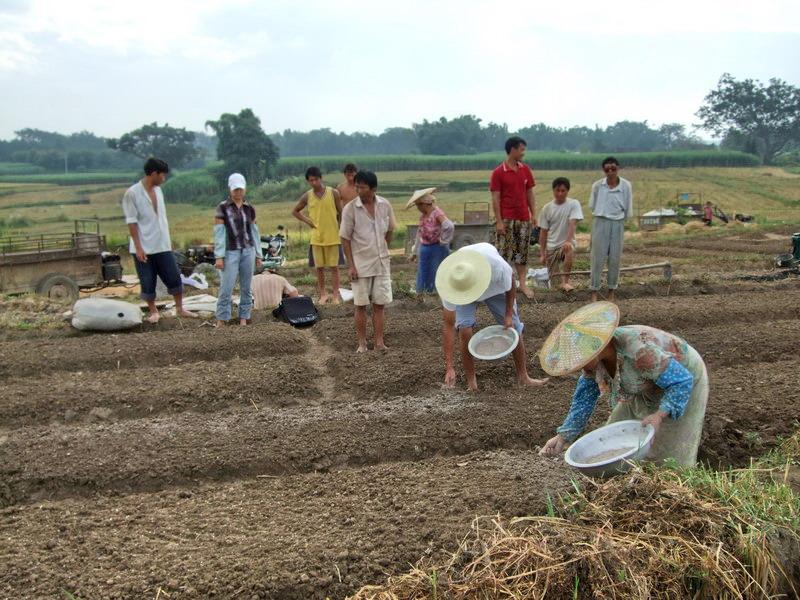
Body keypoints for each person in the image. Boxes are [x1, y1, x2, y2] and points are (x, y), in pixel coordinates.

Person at [538, 302, 708, 467]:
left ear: (596, 349)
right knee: (614, 440)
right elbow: (584, 400)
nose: (580, 366)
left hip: (682, 381)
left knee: (667, 456)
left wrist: (659, 415)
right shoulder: (594, 365)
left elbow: (682, 381)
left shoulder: (640, 351)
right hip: (645, 383)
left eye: (582, 360)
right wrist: (563, 437)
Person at [435, 242, 549, 391]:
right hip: (463, 289)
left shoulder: (495, 267)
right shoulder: (451, 284)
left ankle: (524, 377)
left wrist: (508, 314)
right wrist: (449, 367)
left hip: (490, 283)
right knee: (464, 329)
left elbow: (511, 284)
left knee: (514, 326)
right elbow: (449, 326)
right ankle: (472, 384)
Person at [121, 157, 197, 323]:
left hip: (162, 244)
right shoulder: (132, 193)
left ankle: (179, 308)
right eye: (162, 175)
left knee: (174, 277)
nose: (164, 179)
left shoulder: (159, 191)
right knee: (148, 280)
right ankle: (154, 311)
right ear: (154, 174)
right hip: (143, 247)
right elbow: (132, 223)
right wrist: (139, 248)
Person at [339, 170, 396, 353]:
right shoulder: (350, 209)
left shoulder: (384, 205)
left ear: (373, 189)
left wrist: (383, 247)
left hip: (381, 263)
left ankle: (379, 342)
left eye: (362, 187)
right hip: (360, 264)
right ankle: (362, 344)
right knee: (361, 305)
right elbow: (345, 238)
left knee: (379, 305)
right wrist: (351, 266)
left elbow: (391, 229)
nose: (358, 190)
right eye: (357, 186)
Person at [490, 136, 538, 300]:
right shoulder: (498, 172)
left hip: (523, 218)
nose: (523, 153)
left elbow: (530, 193)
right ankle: (504, 286)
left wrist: (534, 214)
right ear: (513, 150)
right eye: (521, 149)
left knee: (522, 253)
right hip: (507, 219)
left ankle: (522, 284)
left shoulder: (525, 170)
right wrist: (499, 221)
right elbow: (495, 198)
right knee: (504, 253)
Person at [213, 173, 263, 326]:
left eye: (240, 189)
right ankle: (222, 319)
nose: (238, 193)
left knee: (246, 287)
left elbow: (254, 232)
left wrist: (258, 254)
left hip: (248, 250)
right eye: (235, 190)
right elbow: (219, 233)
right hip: (230, 251)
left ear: (245, 189)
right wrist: (219, 256)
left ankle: (244, 318)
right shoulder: (222, 208)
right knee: (226, 287)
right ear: (230, 189)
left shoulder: (249, 208)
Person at [292, 166, 343, 304]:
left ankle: (336, 295)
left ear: (321, 178)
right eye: (310, 180)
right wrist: (307, 221)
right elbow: (295, 211)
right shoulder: (307, 196)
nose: (314, 182)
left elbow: (341, 212)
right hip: (317, 238)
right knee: (319, 268)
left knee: (334, 267)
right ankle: (323, 294)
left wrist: (340, 229)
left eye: (315, 179)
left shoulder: (334, 193)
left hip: (333, 236)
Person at [588, 156, 633, 302]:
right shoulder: (597, 186)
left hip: (618, 223)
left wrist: (621, 220)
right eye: (607, 169)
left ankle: (611, 290)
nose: (610, 172)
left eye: (613, 168)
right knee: (597, 258)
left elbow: (628, 207)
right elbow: (593, 206)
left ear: (618, 168)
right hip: (600, 222)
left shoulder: (626, 186)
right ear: (604, 170)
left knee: (614, 258)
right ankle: (594, 291)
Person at [538, 177, 584, 292]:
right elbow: (543, 233)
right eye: (557, 190)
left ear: (567, 191)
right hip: (551, 247)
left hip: (565, 245)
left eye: (563, 191)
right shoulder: (547, 209)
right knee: (555, 283)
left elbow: (572, 223)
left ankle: (566, 281)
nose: (560, 193)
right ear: (553, 190)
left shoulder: (573, 204)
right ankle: (559, 286)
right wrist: (542, 254)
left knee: (568, 249)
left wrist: (568, 241)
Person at [406, 187, 454, 294]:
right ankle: (422, 292)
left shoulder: (437, 213)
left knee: (435, 270)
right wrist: (414, 252)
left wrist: (443, 240)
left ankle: (434, 293)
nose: (418, 207)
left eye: (418, 205)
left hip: (437, 247)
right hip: (425, 247)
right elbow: (420, 234)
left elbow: (449, 226)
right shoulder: (423, 216)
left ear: (425, 204)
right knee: (423, 271)